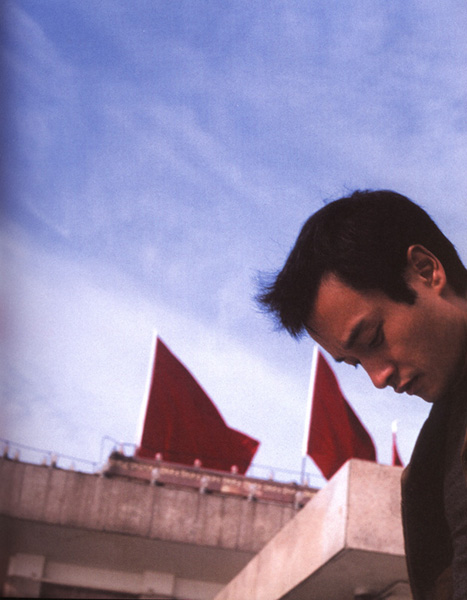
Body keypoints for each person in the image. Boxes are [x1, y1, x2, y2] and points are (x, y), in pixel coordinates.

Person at [256, 190, 467, 600]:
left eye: (373, 338)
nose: (377, 378)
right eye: (354, 363)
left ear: (426, 271)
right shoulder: (433, 461)